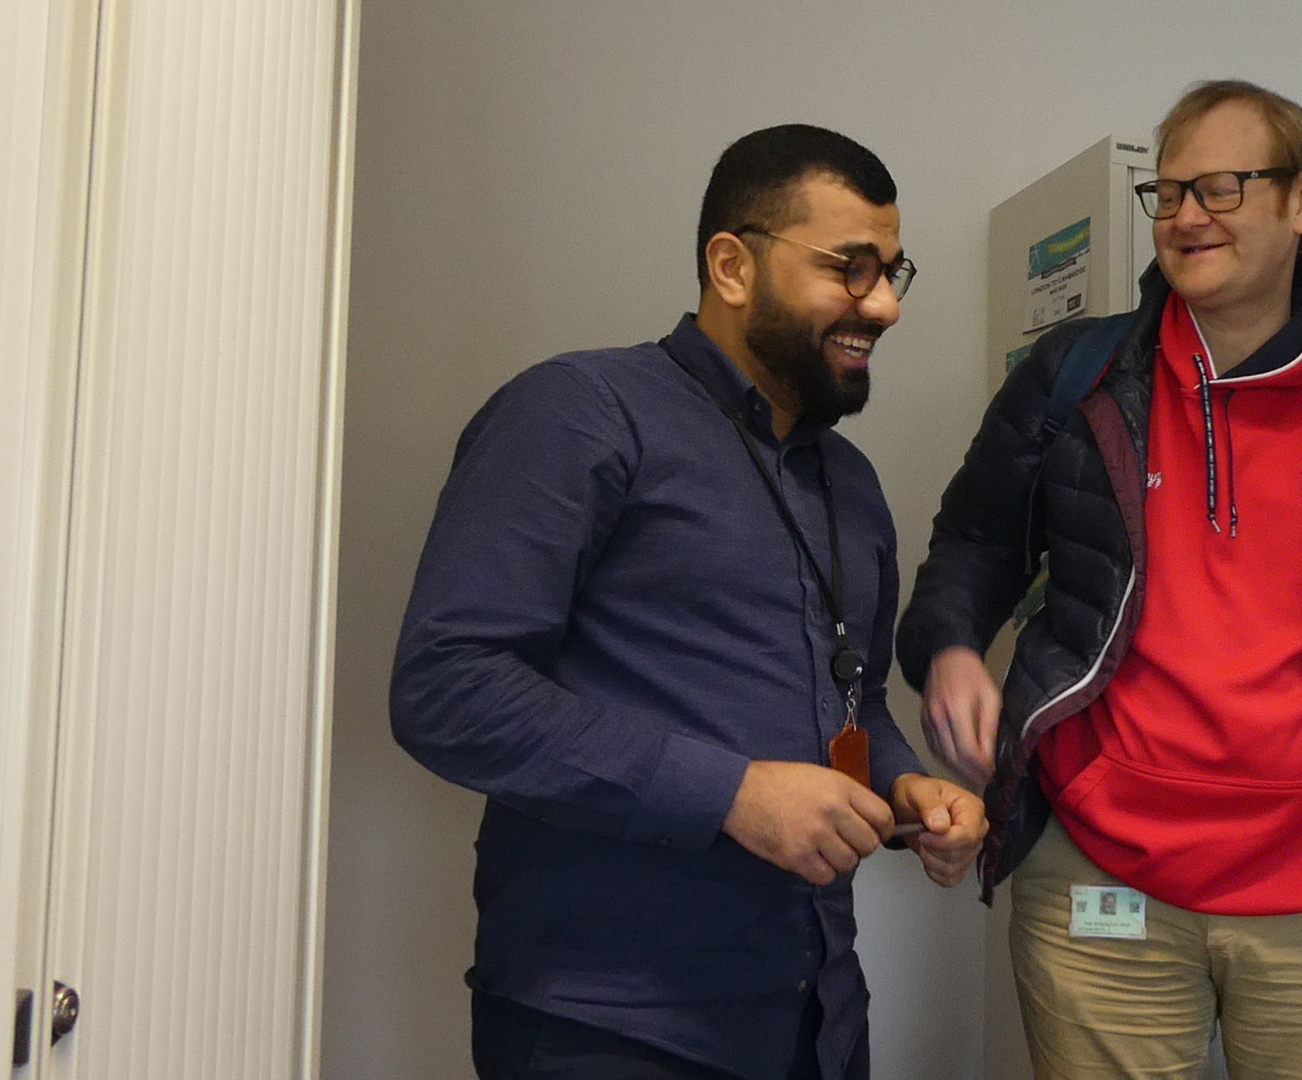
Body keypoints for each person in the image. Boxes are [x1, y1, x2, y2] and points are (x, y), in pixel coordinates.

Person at [897, 80, 1302, 1079]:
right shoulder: (1078, 376)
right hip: (1099, 881)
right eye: (1168, 193)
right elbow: (975, 543)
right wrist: (948, 645)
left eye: (1220, 188)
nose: (1186, 216)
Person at [391, 124, 988, 1080]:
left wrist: (906, 784)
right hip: (613, 1029)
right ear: (732, 265)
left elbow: (854, 700)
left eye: (891, 273)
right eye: (851, 268)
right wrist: (733, 794)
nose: (883, 305)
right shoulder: (577, 413)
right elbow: (447, 688)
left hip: (818, 1019)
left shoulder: (850, 483)